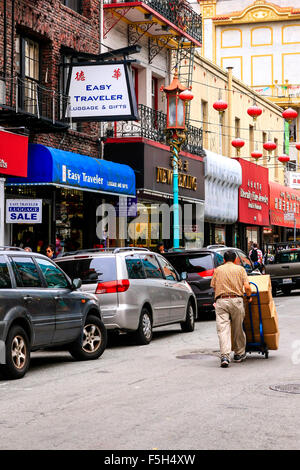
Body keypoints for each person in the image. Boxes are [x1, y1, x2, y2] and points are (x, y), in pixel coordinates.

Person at [210, 250, 252, 368]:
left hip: (221, 301)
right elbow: (247, 287)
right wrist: (248, 297)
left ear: (224, 260)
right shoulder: (240, 269)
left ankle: (225, 356)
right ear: (235, 260)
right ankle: (239, 354)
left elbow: (214, 286)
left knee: (222, 329)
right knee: (238, 327)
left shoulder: (218, 270)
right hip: (236, 300)